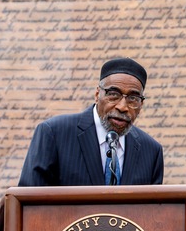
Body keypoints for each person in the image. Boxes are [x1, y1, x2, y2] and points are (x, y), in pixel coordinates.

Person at [18, 57, 164, 186]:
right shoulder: (54, 134)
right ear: (97, 95)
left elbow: (153, 213)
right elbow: (28, 206)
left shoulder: (151, 151)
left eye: (133, 98)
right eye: (113, 94)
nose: (122, 107)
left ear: (141, 105)